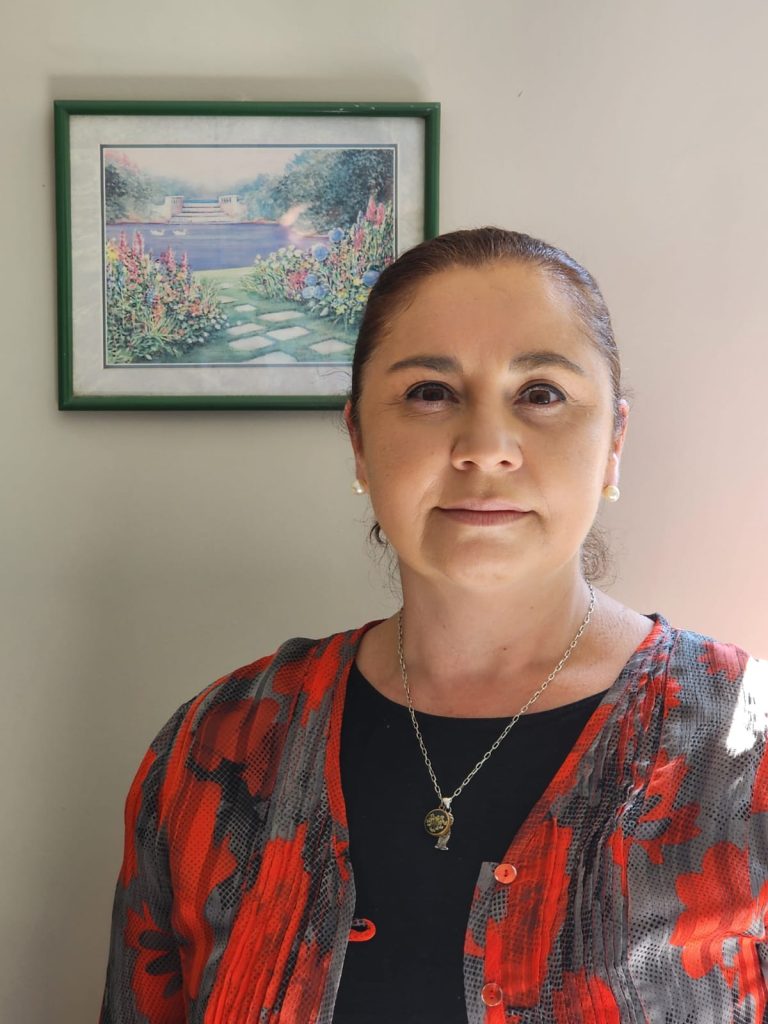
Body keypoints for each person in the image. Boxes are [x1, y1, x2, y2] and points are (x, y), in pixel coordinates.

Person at [99, 228, 768, 1024]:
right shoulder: (218, 746)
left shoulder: (746, 749)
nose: (484, 448)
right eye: (429, 392)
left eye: (541, 393)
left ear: (614, 441)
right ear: (359, 439)